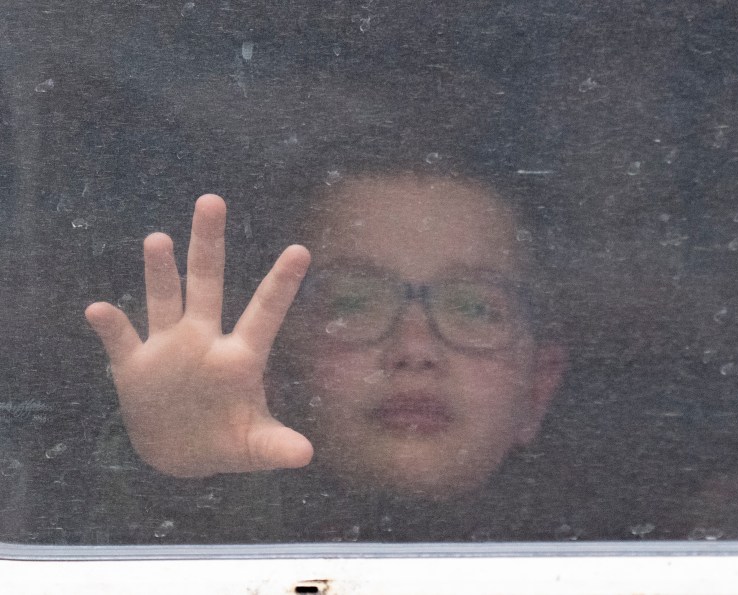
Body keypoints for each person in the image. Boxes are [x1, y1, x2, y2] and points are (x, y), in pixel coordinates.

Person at [84, 171, 568, 540]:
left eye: (475, 308)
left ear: (539, 389)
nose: (415, 349)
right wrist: (176, 483)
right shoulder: (189, 541)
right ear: (271, 367)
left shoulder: (624, 556)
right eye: (352, 303)